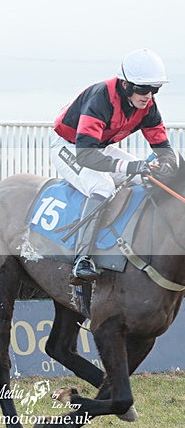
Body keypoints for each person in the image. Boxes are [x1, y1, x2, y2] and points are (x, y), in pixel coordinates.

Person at [51, 48, 177, 284]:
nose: (148, 96)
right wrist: (129, 167)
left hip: (98, 147)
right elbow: (86, 156)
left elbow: (162, 146)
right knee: (103, 187)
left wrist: (166, 164)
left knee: (148, 177)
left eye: (154, 89)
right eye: (143, 89)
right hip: (70, 147)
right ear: (126, 85)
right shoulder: (100, 99)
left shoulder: (148, 106)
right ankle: (82, 259)